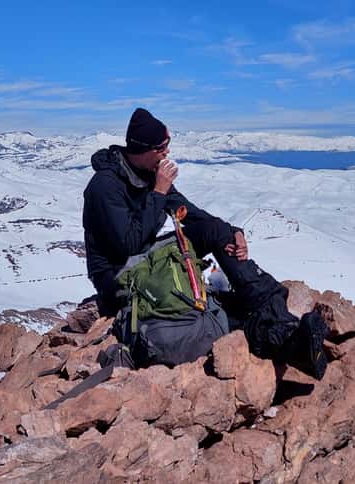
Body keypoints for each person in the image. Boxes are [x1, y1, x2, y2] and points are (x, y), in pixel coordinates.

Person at [82, 107, 327, 378]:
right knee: (209, 310)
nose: (166, 154)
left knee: (214, 230)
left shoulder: (149, 175)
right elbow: (127, 245)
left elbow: (191, 214)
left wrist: (231, 231)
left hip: (146, 258)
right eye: (162, 148)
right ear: (145, 148)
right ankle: (284, 338)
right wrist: (159, 192)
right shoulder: (105, 186)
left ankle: (280, 321)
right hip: (118, 275)